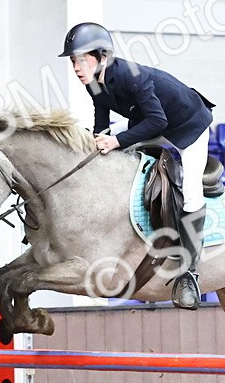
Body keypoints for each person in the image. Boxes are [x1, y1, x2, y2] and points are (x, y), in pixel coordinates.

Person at [60, 21, 216, 310]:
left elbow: (158, 121)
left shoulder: (133, 76)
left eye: (82, 60)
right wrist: (98, 142)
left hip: (188, 125)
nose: (77, 68)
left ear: (102, 57)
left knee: (192, 192)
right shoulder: (94, 82)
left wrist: (116, 142)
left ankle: (189, 275)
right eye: (73, 61)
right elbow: (101, 121)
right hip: (151, 121)